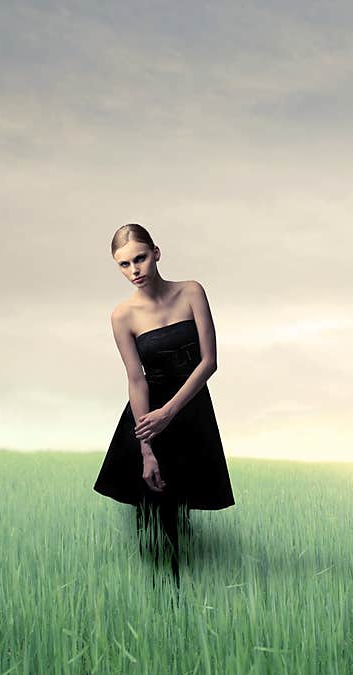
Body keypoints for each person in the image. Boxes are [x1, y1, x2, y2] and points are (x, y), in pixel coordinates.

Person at [93, 223, 235, 586]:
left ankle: (184, 600)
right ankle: (159, 600)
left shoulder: (191, 292)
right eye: (124, 265)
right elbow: (136, 379)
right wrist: (146, 448)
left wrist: (168, 413)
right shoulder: (122, 316)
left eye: (139, 259)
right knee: (153, 512)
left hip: (188, 412)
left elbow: (209, 362)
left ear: (156, 253)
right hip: (148, 419)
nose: (134, 270)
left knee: (181, 509)